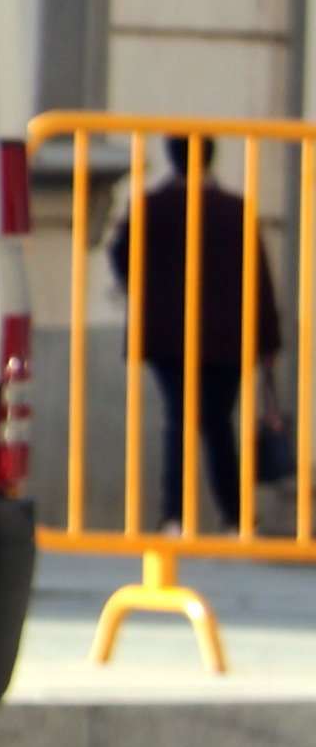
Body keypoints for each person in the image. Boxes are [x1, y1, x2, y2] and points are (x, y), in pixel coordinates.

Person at [108, 136, 294, 534]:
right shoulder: (234, 210)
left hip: (168, 336)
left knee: (179, 419)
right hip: (226, 338)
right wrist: (269, 341)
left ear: (172, 159)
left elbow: (121, 256)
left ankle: (176, 516)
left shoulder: (151, 207)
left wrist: (148, 293)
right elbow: (259, 278)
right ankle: (234, 517)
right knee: (218, 423)